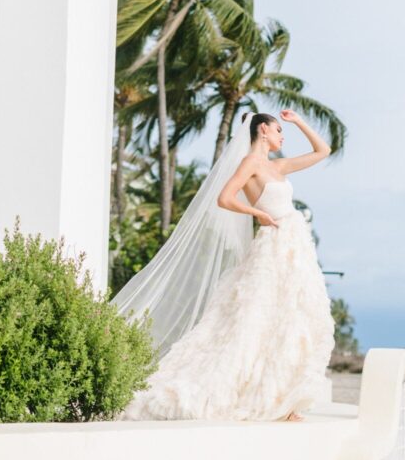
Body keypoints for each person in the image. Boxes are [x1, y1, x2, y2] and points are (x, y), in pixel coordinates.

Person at [113, 109, 336, 422]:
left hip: (295, 246)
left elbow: (323, 151)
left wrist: (298, 121)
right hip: (272, 245)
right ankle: (261, 398)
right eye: (278, 130)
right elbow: (225, 198)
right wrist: (257, 213)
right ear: (262, 131)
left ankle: (284, 399)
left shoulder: (279, 166)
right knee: (261, 317)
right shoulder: (250, 164)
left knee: (293, 317)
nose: (282, 137)